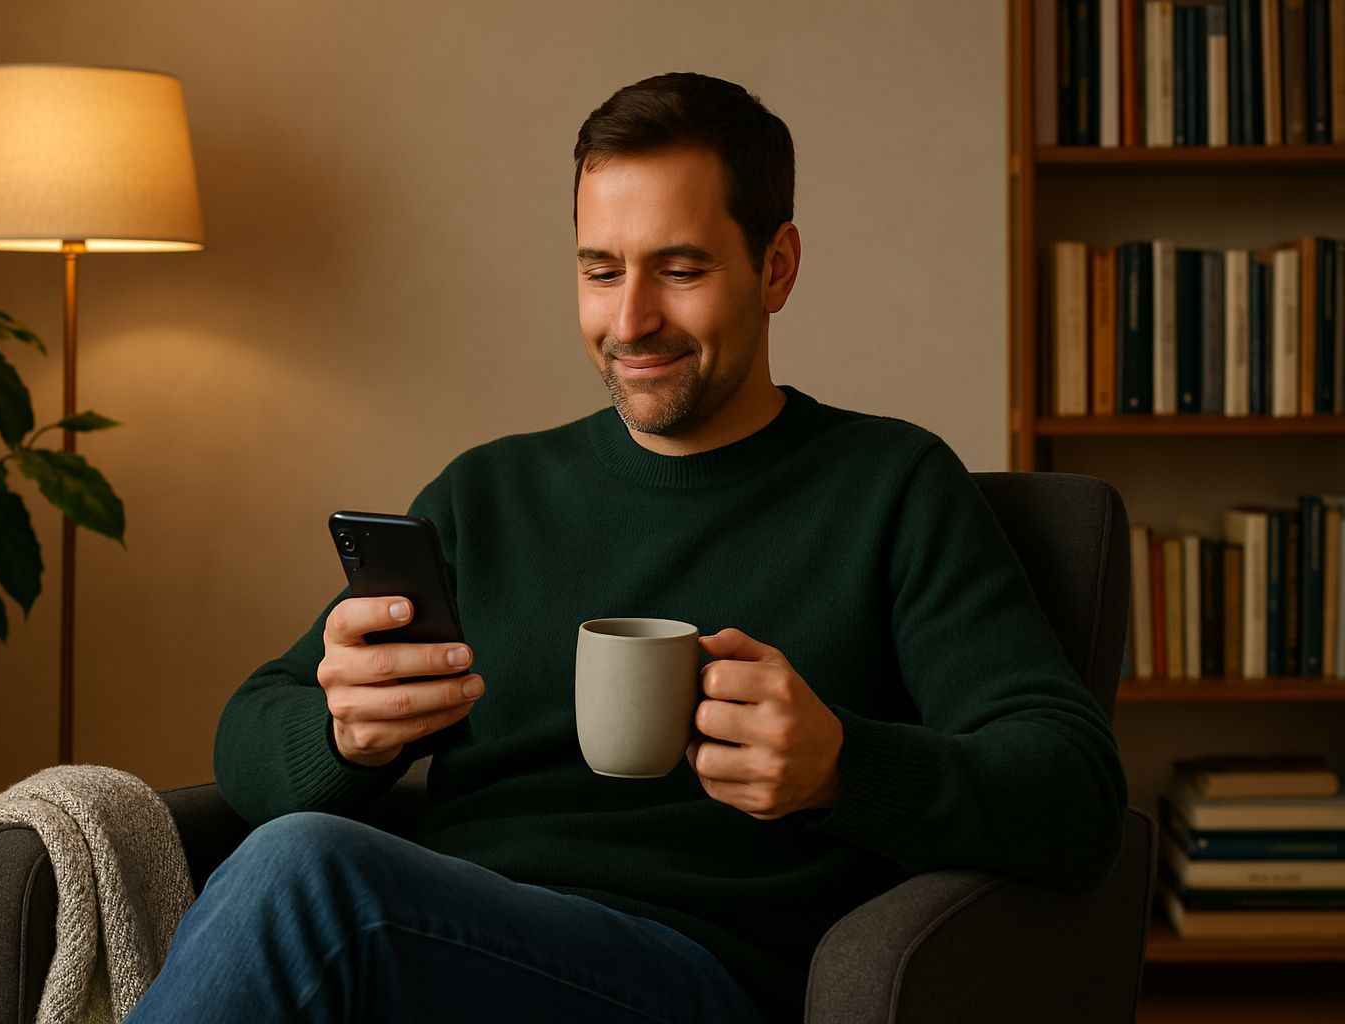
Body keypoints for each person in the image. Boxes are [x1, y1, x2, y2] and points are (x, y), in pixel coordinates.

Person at [125, 71, 1128, 1024]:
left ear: (774, 267)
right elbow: (253, 728)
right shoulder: (488, 494)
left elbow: (1075, 792)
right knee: (306, 869)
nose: (631, 320)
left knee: (309, 876)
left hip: (690, 977)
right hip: (440, 939)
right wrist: (343, 735)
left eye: (680, 270)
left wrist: (841, 767)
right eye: (600, 271)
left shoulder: (891, 488)